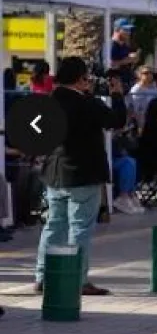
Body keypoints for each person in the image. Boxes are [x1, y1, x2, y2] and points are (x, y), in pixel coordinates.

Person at [34, 56, 128, 297]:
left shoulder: (49, 101)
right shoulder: (87, 103)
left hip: (55, 173)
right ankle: (77, 279)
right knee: (80, 227)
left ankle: (43, 276)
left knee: (53, 225)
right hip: (83, 174)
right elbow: (117, 121)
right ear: (81, 79)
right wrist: (117, 95)